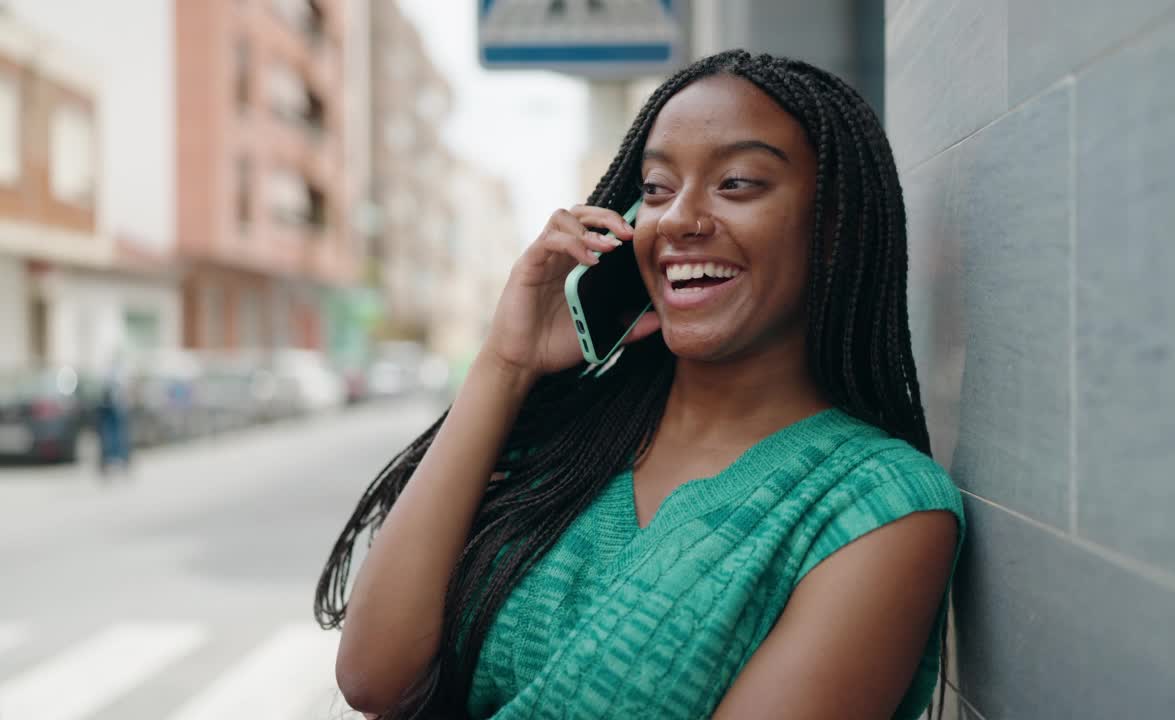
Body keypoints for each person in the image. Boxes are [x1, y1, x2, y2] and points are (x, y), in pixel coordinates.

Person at [317, 49, 966, 720]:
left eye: (737, 183)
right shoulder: (569, 438)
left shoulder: (876, 507)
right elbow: (373, 676)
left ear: (837, 227)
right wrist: (505, 366)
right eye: (656, 188)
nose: (678, 219)